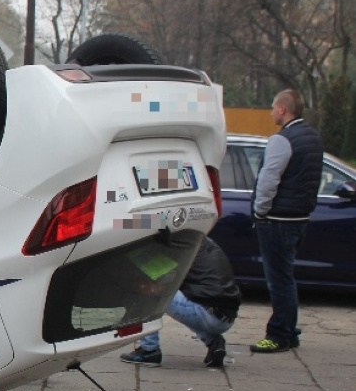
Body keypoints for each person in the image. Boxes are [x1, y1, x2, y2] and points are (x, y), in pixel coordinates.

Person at [249, 89, 323, 353]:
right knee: (286, 278)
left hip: (277, 219)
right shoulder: (312, 137)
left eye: (272, 108)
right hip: (299, 217)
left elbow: (269, 180)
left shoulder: (282, 140)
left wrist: (259, 211)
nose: (270, 113)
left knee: (278, 280)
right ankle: (289, 331)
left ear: (282, 110)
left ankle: (279, 333)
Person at [121, 237, 242, 368]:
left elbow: (160, 280)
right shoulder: (200, 240)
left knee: (147, 291)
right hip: (225, 317)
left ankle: (149, 350)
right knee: (192, 302)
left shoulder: (179, 243)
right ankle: (214, 342)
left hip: (207, 313)